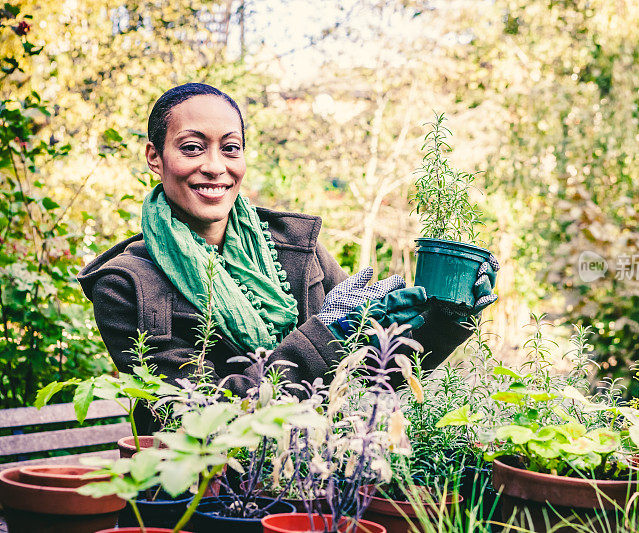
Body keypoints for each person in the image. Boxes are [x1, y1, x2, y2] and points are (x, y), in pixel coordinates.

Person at [78, 83, 498, 432]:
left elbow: (371, 376)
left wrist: (446, 318)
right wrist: (329, 332)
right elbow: (200, 416)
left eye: (230, 148)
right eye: (191, 148)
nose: (214, 166)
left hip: (318, 474)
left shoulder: (296, 245)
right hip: (204, 494)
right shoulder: (125, 284)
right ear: (155, 157)